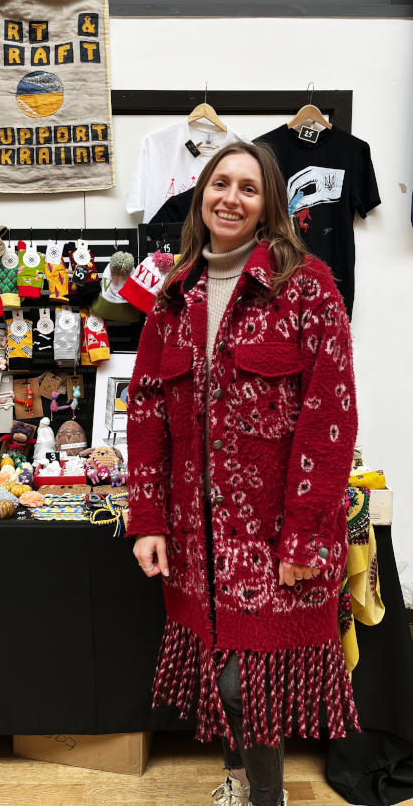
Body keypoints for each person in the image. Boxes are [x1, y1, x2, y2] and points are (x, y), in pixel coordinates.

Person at [126, 141, 360, 806]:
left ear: (269, 206)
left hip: (276, 529)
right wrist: (147, 519)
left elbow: (330, 413)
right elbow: (145, 412)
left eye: (248, 188)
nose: (231, 196)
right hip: (196, 531)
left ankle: (267, 798)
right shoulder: (176, 290)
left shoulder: (305, 283)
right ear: (202, 194)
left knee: (243, 681)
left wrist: (308, 536)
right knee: (221, 663)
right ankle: (236, 780)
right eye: (220, 183)